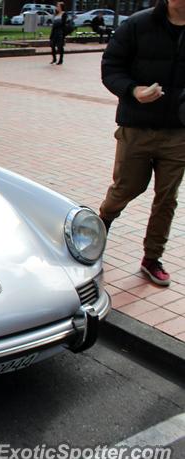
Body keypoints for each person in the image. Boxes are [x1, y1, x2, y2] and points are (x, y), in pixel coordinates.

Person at [99, 0, 185, 286]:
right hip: (136, 127)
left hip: (179, 133)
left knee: (167, 198)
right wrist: (132, 90)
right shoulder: (138, 24)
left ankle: (152, 259)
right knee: (126, 188)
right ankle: (97, 234)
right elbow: (111, 67)